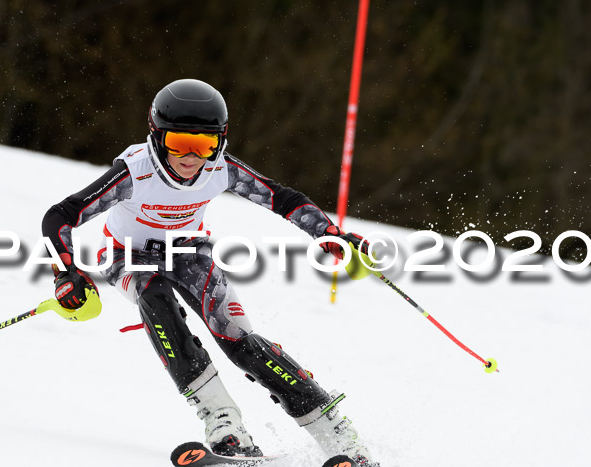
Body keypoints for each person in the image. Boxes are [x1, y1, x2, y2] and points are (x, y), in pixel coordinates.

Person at [42, 79, 378, 466]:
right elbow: (61, 216)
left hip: (188, 250)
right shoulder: (135, 172)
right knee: (155, 300)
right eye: (178, 143)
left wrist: (330, 233)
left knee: (240, 340)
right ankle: (224, 424)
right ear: (155, 135)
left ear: (219, 140)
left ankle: (337, 432)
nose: (190, 157)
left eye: (203, 145)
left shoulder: (221, 169)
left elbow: (282, 197)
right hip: (125, 255)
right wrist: (65, 271)